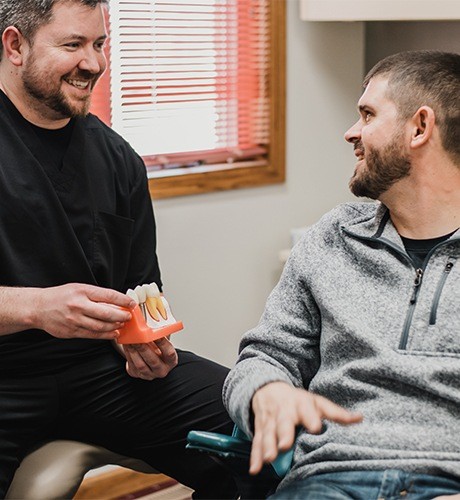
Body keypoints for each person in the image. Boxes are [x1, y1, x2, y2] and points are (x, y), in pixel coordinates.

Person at [0, 0, 237, 498]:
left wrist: (143, 342)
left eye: (99, 44)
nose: (95, 63)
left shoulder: (118, 160)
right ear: (14, 45)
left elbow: (141, 290)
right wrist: (35, 307)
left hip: (99, 374)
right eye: (73, 45)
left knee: (258, 428)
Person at [223, 50, 460, 500]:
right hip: (328, 480)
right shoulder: (331, 239)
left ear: (420, 127)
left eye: (367, 114)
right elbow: (262, 356)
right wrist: (266, 392)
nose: (350, 132)